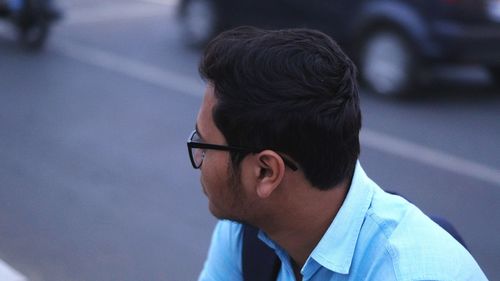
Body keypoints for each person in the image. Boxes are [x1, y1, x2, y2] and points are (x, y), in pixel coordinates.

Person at [187, 26, 488, 281]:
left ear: (266, 171)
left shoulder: (407, 272)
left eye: (203, 144)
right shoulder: (246, 237)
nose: (198, 159)